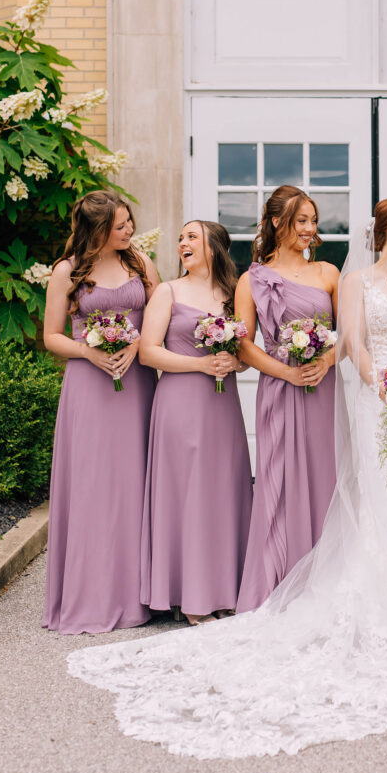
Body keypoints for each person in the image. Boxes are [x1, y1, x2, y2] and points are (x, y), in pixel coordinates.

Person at [67, 200, 387, 760]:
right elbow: (353, 340)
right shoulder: (350, 279)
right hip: (371, 396)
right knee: (365, 492)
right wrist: (379, 383)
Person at [43, 190, 158, 634]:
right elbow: (53, 336)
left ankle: (139, 594)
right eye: (121, 225)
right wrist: (90, 353)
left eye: (130, 221)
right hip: (89, 388)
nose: (130, 230)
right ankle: (90, 593)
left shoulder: (141, 265)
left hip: (137, 385)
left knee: (134, 481)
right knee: (92, 484)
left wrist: (132, 342)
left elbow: (156, 320)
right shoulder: (67, 272)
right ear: (99, 230)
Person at [138, 221, 252, 625]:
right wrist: (200, 365)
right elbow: (148, 353)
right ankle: (190, 597)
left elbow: (247, 351)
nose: (183, 242)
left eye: (192, 237)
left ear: (214, 248)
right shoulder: (168, 291)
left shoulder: (234, 294)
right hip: (180, 404)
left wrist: (234, 361)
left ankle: (223, 589)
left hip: (223, 408)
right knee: (187, 494)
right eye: (181, 236)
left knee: (223, 491)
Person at [235, 186, 339, 612]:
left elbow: (352, 335)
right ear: (278, 222)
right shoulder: (250, 279)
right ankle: (277, 582)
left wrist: (328, 360)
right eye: (301, 220)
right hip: (279, 387)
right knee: (279, 478)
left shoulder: (329, 274)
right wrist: (287, 373)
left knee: (325, 476)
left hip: (324, 388)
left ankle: (327, 581)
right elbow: (243, 344)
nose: (310, 229)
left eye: (314, 221)